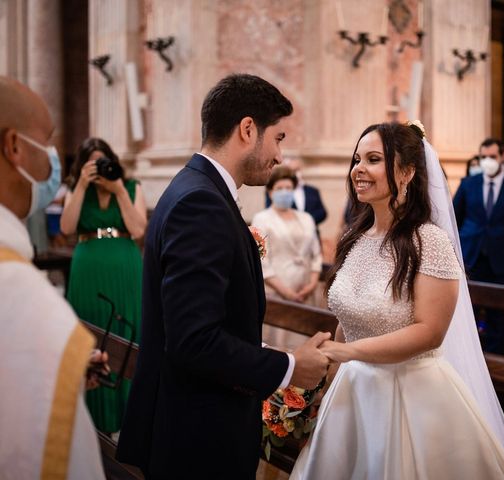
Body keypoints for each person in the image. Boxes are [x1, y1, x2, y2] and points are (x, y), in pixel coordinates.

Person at [116, 73, 330, 479]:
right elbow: (193, 340)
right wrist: (288, 366)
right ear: (248, 129)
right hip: (199, 435)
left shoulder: (191, 187)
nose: (280, 157)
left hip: (189, 421)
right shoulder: (202, 202)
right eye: (279, 138)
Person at [290, 121, 504, 479]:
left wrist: (347, 353)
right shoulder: (355, 236)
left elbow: (430, 332)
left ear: (406, 172)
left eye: (373, 159)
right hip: (352, 392)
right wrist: (325, 383)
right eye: (357, 159)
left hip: (411, 395)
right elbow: (349, 319)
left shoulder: (428, 242)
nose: (359, 170)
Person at [0, 76, 106, 479]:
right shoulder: (22, 298)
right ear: (14, 147)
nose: (52, 160)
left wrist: (62, 372)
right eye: (46, 142)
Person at [60, 137, 146, 434]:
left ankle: (128, 420)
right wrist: (82, 185)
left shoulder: (131, 186)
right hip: (88, 267)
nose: (99, 168)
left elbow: (137, 229)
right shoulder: (77, 189)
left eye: (103, 161)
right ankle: (93, 421)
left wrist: (119, 188)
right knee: (90, 331)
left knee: (129, 329)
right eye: (91, 163)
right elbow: (67, 228)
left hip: (125, 267)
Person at [453, 137, 504, 352]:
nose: (487, 161)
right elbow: (455, 218)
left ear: (502, 157)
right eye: (483, 157)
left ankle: (494, 357)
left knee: (497, 317)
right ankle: (469, 355)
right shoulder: (468, 184)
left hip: (501, 259)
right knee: (469, 312)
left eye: (492, 157)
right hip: (472, 256)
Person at [252, 165, 323, 304]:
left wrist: (313, 283)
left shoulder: (306, 218)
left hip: (306, 292)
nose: (285, 192)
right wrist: (287, 293)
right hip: (277, 295)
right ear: (270, 192)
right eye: (279, 188)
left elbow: (316, 254)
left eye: (289, 188)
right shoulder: (260, 219)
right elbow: (261, 261)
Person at [265, 157, 327, 228]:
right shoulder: (277, 191)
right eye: (293, 170)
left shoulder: (312, 190)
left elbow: (322, 212)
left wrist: (306, 221)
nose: (296, 173)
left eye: (298, 170)